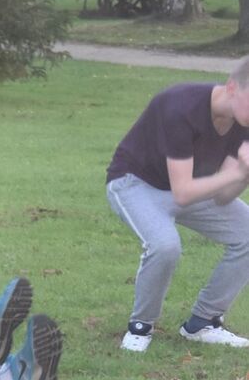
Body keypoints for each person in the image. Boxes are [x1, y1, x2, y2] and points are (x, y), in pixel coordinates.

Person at [106, 58, 249, 351]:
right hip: (134, 183)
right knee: (165, 245)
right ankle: (141, 326)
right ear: (233, 87)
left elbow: (222, 196)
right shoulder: (180, 106)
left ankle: (202, 323)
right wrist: (234, 173)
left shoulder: (244, 122)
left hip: (189, 187)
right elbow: (183, 193)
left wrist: (244, 174)